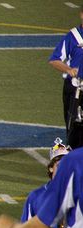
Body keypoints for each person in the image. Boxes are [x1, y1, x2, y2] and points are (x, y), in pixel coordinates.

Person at [49, 6, 83, 147]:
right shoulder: (73, 36)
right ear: (82, 15)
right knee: (73, 126)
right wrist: (68, 69)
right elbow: (54, 59)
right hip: (75, 89)